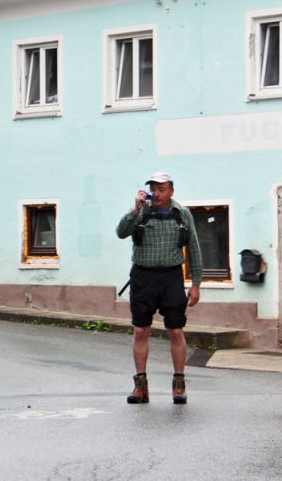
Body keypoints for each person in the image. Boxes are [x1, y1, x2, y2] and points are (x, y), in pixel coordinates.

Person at [116, 172, 202, 404]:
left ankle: (179, 385)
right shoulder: (142, 211)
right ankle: (140, 388)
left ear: (171, 191)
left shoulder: (182, 214)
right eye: (154, 188)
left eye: (161, 189)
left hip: (171, 277)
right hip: (142, 277)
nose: (157, 193)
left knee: (175, 330)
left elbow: (193, 248)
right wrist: (135, 209)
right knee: (141, 330)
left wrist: (195, 284)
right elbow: (121, 232)